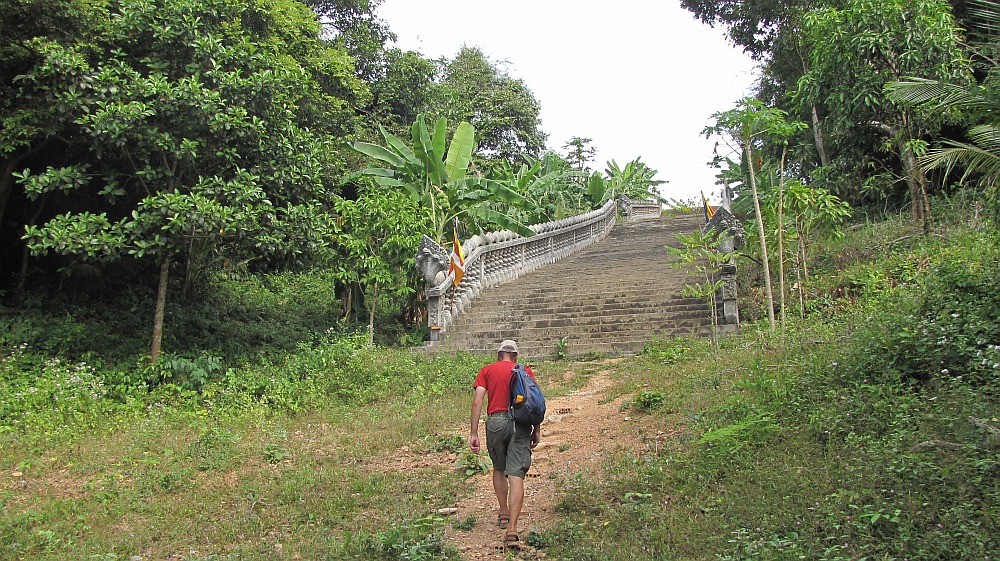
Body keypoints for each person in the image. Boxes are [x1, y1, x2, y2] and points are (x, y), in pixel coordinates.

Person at [468, 339, 541, 549]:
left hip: (496, 421)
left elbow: (477, 400)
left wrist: (474, 432)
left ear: (498, 355)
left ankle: (503, 514)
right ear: (515, 356)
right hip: (520, 423)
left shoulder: (487, 370)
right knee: (516, 474)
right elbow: (533, 401)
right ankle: (513, 530)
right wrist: (537, 429)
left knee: (499, 468)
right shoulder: (523, 370)